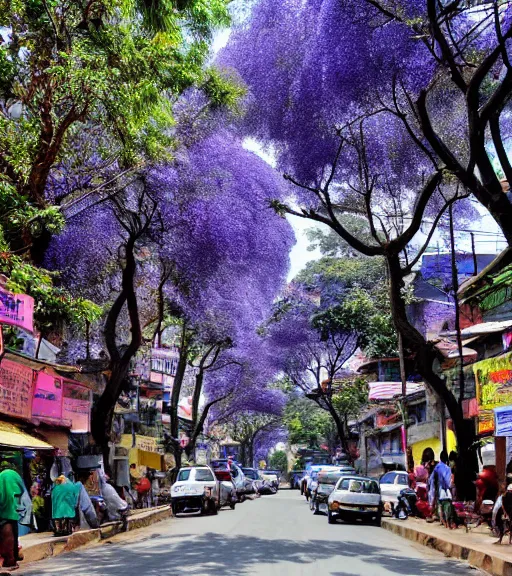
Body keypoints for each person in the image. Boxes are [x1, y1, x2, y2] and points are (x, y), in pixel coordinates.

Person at [0, 468, 27, 571]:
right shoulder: (12, 480)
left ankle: (10, 559)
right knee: (10, 530)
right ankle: (11, 559)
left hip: (6, 514)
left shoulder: (3, 481)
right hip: (9, 513)